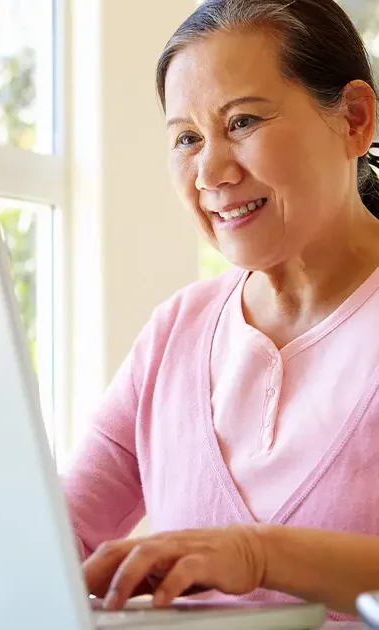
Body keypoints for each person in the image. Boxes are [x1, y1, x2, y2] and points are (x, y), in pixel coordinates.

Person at [62, 0, 379, 620]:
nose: (210, 171)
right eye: (186, 138)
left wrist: (258, 556)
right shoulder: (174, 334)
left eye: (242, 123)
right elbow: (49, 542)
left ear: (355, 119)